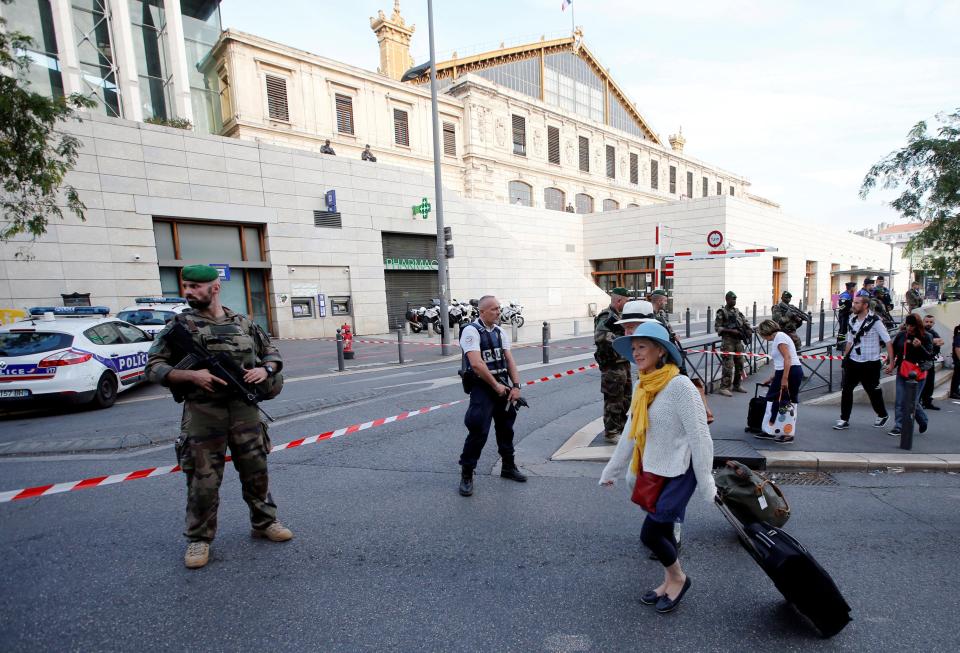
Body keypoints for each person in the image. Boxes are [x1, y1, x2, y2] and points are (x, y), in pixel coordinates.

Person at [145, 265, 291, 570]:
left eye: (195, 287)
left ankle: (265, 522)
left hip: (244, 410)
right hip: (203, 414)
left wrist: (266, 370)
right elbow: (153, 366)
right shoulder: (179, 327)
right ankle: (199, 538)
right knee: (203, 479)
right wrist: (188, 375)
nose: (188, 292)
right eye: (185, 286)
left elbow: (273, 354)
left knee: (256, 471)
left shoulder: (243, 323)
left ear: (214, 288)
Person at [599, 322, 716, 615]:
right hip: (654, 468)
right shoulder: (642, 385)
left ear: (660, 350)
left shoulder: (680, 386)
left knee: (650, 534)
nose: (636, 353)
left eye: (643, 347)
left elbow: (700, 435)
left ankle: (679, 578)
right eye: (634, 348)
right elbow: (630, 432)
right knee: (660, 531)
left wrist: (707, 482)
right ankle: (668, 581)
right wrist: (611, 470)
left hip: (679, 470)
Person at [457, 295, 526, 496]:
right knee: (478, 430)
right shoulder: (470, 331)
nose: (498, 311)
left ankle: (508, 467)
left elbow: (509, 360)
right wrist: (495, 386)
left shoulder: (499, 331)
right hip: (483, 387)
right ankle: (467, 474)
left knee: (506, 429)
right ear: (482, 311)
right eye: (494, 309)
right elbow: (477, 364)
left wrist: (516, 386)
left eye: (499, 308)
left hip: (502, 385)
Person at [649, 288, 714, 423]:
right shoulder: (650, 316)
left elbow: (668, 329)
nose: (666, 303)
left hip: (670, 350)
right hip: (661, 354)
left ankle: (694, 409)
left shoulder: (661, 314)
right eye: (665, 301)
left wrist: (674, 335)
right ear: (660, 300)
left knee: (681, 376)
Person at [833, 295, 892, 431]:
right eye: (854, 302)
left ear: (865, 305)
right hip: (853, 361)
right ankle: (844, 419)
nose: (854, 305)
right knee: (846, 390)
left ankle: (882, 414)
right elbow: (849, 341)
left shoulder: (875, 321)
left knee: (872, 391)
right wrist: (845, 359)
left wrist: (891, 362)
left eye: (857, 303)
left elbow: (888, 341)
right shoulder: (852, 320)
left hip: (870, 363)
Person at [755, 320, 802, 444]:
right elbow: (781, 361)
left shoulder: (780, 337)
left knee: (787, 402)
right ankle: (773, 430)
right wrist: (773, 377)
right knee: (776, 400)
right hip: (786, 371)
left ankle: (786, 433)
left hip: (790, 372)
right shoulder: (779, 337)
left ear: (765, 331)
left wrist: (784, 379)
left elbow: (787, 358)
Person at [594, 288, 632, 444]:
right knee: (613, 399)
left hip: (623, 363)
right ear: (619, 301)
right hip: (612, 366)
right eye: (626, 302)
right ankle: (611, 432)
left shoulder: (619, 316)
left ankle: (621, 427)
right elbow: (600, 336)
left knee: (626, 398)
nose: (627, 305)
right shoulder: (606, 316)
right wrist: (622, 337)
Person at [887, 313, 934, 436]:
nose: (909, 328)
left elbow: (930, 356)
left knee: (912, 401)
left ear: (917, 325)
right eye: (907, 325)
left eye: (912, 325)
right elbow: (895, 350)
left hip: (918, 372)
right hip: (903, 370)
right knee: (900, 399)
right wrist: (890, 364)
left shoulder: (926, 337)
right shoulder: (902, 335)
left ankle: (923, 419)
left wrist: (920, 347)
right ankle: (898, 426)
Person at [715, 291, 748, 397]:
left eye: (735, 299)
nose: (734, 301)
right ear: (727, 299)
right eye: (732, 299)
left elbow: (745, 321)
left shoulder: (737, 311)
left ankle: (737, 385)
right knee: (728, 366)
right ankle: (724, 387)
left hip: (738, 341)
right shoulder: (722, 312)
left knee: (740, 364)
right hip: (728, 342)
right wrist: (730, 331)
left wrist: (748, 329)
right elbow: (717, 328)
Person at [919, 314, 944, 410]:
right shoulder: (920, 331)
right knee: (921, 382)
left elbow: (941, 341)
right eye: (927, 321)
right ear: (923, 321)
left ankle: (927, 402)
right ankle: (919, 401)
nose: (929, 323)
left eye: (931, 322)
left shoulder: (933, 332)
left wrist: (932, 341)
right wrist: (933, 341)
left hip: (930, 360)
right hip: (920, 361)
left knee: (930, 383)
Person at [836, 281, 857, 347]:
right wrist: (848, 309)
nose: (855, 289)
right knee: (842, 330)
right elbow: (841, 306)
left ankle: (841, 343)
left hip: (846, 314)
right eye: (854, 287)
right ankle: (840, 344)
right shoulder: (845, 295)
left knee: (844, 330)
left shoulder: (849, 294)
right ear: (851, 288)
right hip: (843, 315)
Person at [950, 323, 960, 400]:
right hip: (958, 359)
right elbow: (957, 349)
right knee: (957, 376)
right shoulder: (958, 336)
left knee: (958, 376)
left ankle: (956, 391)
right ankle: (953, 392)